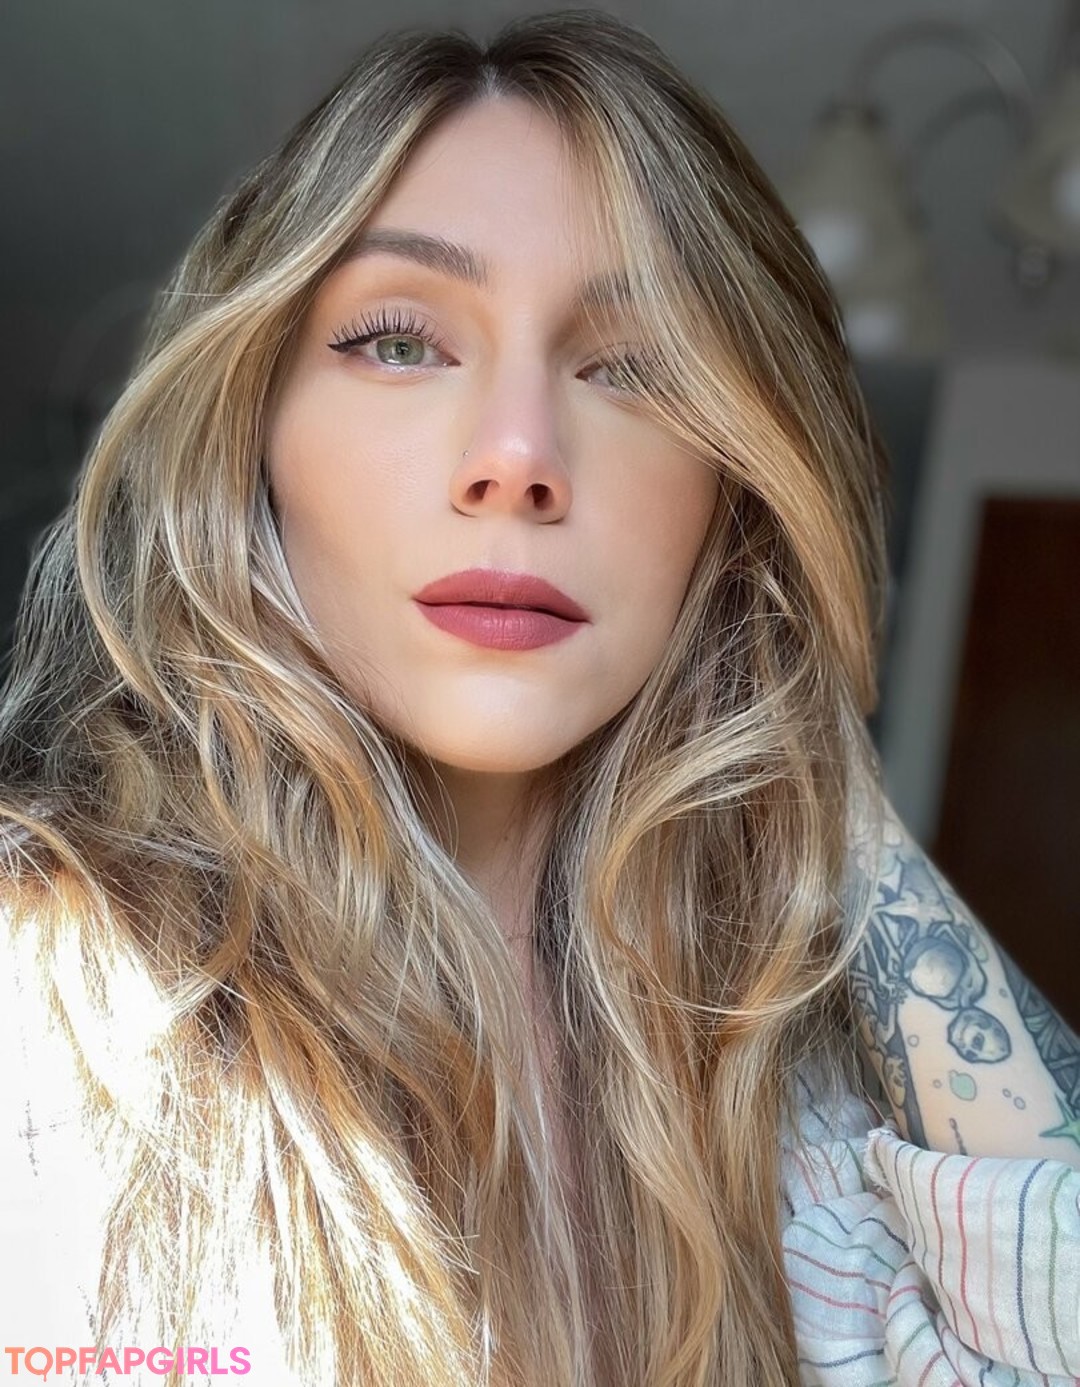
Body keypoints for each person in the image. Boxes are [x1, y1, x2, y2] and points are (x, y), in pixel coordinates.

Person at [0, 10, 1077, 1387]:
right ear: (252, 437)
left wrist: (790, 692)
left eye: (635, 367)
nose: (517, 457)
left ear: (733, 495)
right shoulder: (63, 1011)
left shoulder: (800, 1124)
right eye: (399, 342)